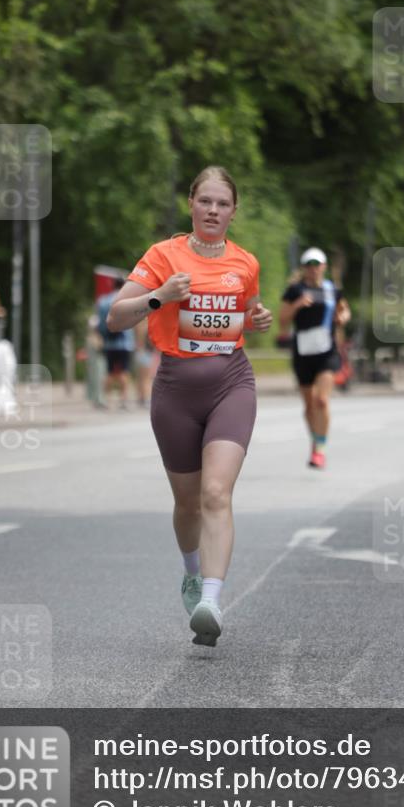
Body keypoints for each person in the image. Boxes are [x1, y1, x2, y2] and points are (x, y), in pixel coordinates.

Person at [106, 166, 272, 646]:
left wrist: (254, 318)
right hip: (176, 388)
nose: (213, 211)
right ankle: (192, 572)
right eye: (205, 202)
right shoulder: (163, 255)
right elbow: (117, 317)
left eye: (222, 204)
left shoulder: (246, 263)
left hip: (231, 381)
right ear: (191, 204)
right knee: (187, 501)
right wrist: (159, 297)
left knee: (216, 493)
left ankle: (212, 602)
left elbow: (245, 313)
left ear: (233, 211)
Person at [278, 248, 351, 469]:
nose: (313, 268)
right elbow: (282, 321)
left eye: (317, 264)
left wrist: (343, 318)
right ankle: (315, 440)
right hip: (302, 352)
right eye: (308, 264)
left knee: (322, 400)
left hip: (326, 351)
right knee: (309, 404)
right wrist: (297, 305)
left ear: (324, 266)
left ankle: (320, 448)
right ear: (303, 267)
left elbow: (344, 310)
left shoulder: (332, 290)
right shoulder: (294, 290)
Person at [98, 276, 136, 409]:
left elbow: (101, 324)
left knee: (109, 372)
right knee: (124, 372)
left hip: (109, 343)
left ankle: (104, 400)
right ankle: (124, 400)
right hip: (125, 343)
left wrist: (103, 337)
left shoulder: (103, 301)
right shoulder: (127, 300)